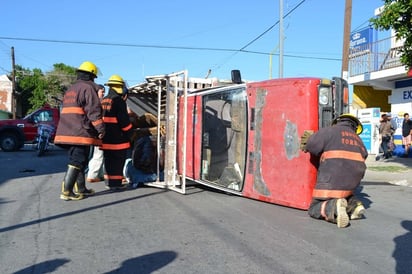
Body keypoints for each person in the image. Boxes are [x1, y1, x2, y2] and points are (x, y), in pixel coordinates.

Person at [300, 114, 368, 228]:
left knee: (314, 208)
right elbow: (364, 156)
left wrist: (311, 139)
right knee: (345, 195)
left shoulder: (330, 131)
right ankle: (355, 206)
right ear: (356, 127)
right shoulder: (359, 140)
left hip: (331, 181)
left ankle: (332, 206)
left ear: (337, 121)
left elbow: (312, 145)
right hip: (352, 183)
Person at [54, 61, 105, 201]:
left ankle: (81, 189)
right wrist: (101, 129)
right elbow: (93, 112)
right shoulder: (88, 89)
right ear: (92, 76)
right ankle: (67, 191)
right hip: (79, 133)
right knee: (77, 161)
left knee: (79, 161)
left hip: (67, 131)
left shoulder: (71, 89)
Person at [101, 74, 133, 191]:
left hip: (106, 138)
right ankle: (115, 183)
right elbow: (124, 121)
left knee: (108, 160)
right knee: (117, 161)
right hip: (118, 139)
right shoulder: (118, 101)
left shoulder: (104, 99)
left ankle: (108, 181)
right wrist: (130, 132)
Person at [86, 84, 106, 182]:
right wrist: (101, 130)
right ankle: (92, 176)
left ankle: (98, 174)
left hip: (96, 132)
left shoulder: (95, 102)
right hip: (98, 132)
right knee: (99, 154)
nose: (103, 93)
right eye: (102, 91)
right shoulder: (96, 103)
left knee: (98, 154)